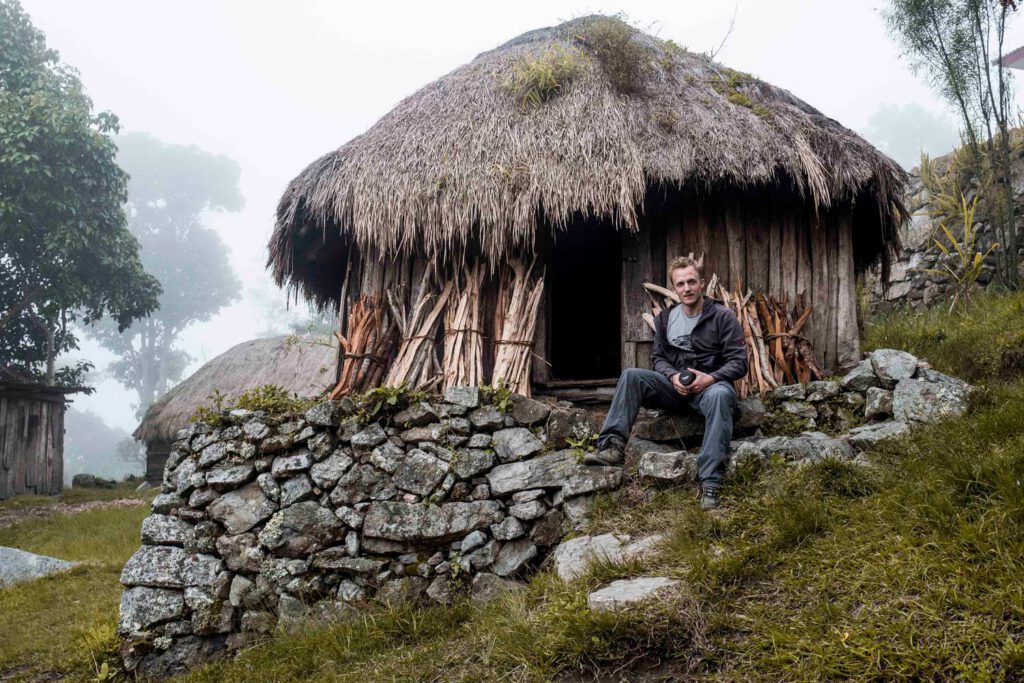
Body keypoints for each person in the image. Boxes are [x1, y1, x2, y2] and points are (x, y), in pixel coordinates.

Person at [584, 256, 748, 510]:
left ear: (702, 283)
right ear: (674, 287)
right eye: (680, 284)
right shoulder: (666, 319)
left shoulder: (722, 316)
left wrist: (711, 378)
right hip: (675, 389)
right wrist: (672, 377)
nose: (687, 288)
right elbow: (658, 358)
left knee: (720, 395)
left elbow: (739, 362)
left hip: (710, 388)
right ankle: (612, 448)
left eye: (691, 282)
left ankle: (710, 483)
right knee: (631, 375)